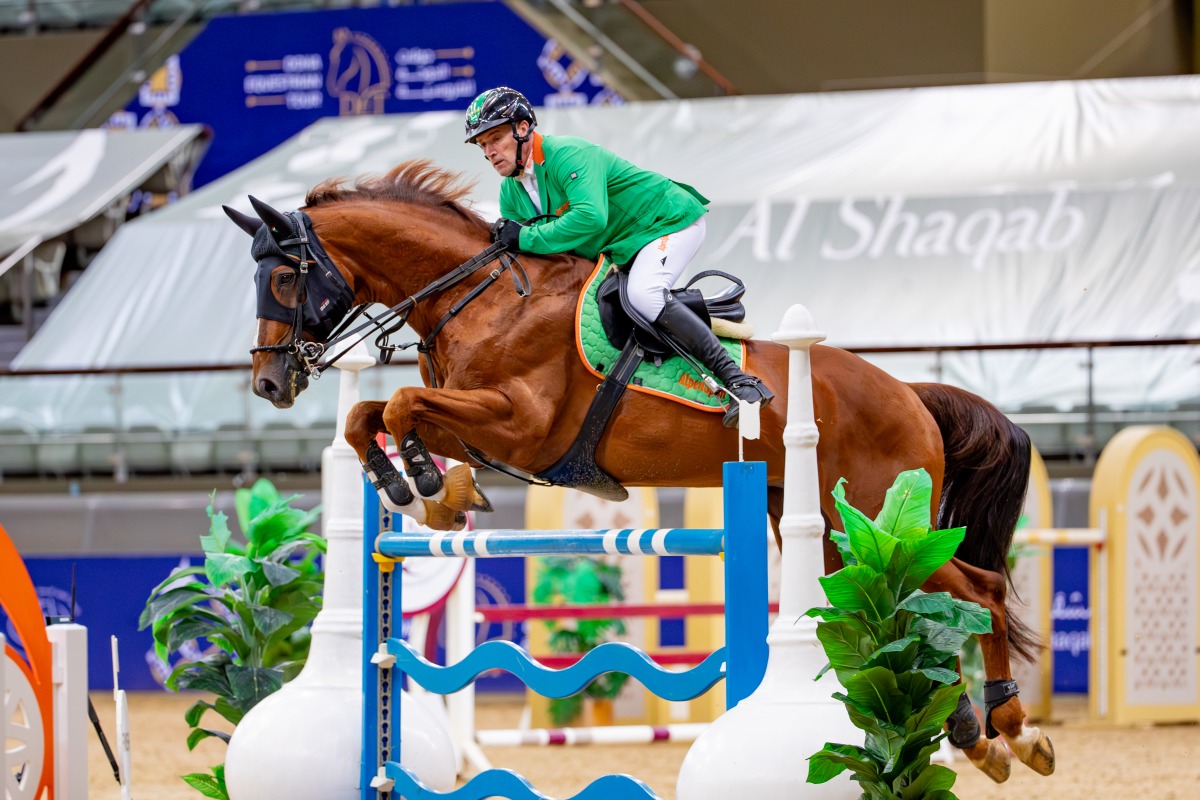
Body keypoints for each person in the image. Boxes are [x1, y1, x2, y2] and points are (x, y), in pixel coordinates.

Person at [463, 87, 773, 428]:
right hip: (624, 245)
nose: (490, 152)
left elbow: (589, 218)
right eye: (482, 146)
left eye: (494, 138)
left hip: (666, 222)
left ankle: (741, 382)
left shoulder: (568, 154)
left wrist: (523, 236)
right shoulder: (511, 190)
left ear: (523, 129)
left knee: (644, 294)